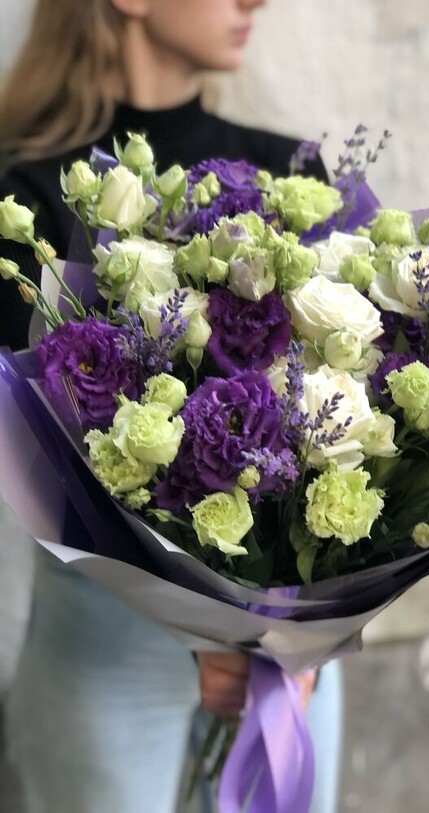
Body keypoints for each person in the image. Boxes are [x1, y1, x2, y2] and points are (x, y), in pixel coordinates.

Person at [0, 1, 343, 811]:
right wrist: (196, 631)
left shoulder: (288, 176)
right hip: (105, 649)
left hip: (281, 656)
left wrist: (297, 626)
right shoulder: (24, 196)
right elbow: (36, 457)